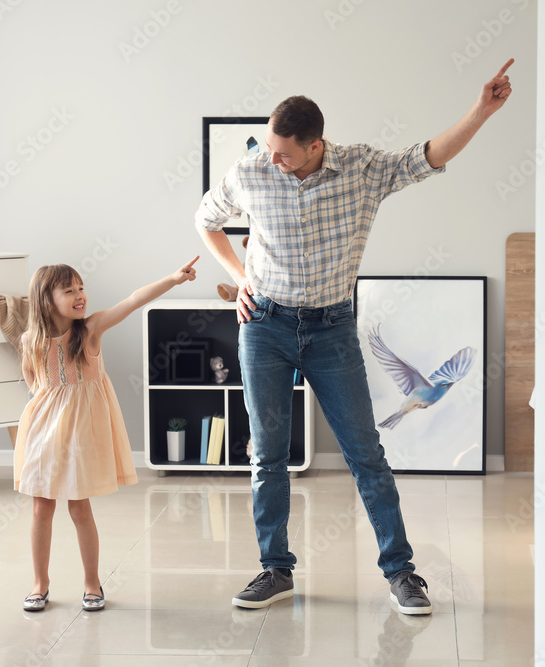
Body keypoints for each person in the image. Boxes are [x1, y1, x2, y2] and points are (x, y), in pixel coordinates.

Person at [195, 60, 514, 615]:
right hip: (264, 326)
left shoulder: (363, 169)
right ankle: (276, 570)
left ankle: (402, 572)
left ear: (316, 145)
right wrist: (240, 277)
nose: (272, 158)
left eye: (284, 152)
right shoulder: (251, 172)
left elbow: (429, 155)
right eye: (269, 147)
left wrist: (481, 111)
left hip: (330, 328)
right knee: (268, 455)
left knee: (366, 454)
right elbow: (207, 219)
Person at [14, 257, 198, 611]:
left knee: (80, 507)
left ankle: (91, 582)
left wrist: (173, 279)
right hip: (43, 433)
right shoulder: (30, 341)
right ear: (45, 300)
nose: (80, 295)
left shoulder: (91, 329)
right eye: (69, 291)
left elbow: (132, 300)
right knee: (41, 508)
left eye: (81, 287)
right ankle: (39, 583)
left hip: (80, 436)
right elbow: (35, 386)